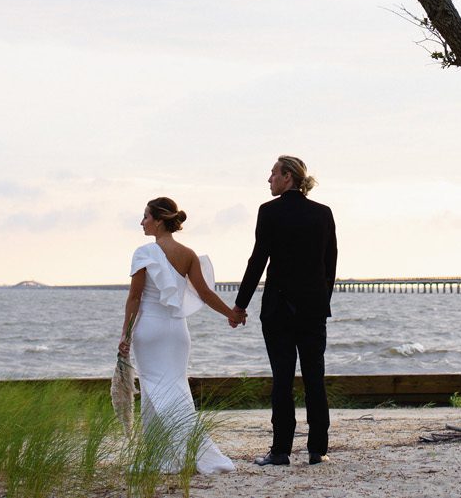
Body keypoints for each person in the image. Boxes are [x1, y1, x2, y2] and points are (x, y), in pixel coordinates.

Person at [119, 196, 238, 475]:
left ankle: (166, 457)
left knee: (154, 390)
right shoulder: (188, 254)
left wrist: (125, 334)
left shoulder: (143, 253)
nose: (142, 222)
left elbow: (134, 297)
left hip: (149, 329)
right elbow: (205, 294)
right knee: (175, 389)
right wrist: (231, 314)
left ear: (159, 221)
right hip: (177, 331)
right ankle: (172, 453)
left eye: (146, 217)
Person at [231, 155, 338, 466]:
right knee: (314, 377)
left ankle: (280, 451)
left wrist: (240, 306)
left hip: (278, 310)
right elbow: (329, 264)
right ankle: (318, 449)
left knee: (282, 379)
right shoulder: (323, 213)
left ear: (288, 177)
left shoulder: (269, 212)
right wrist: (321, 300)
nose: (269, 180)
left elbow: (257, 261)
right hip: (313, 311)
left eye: (273, 174)